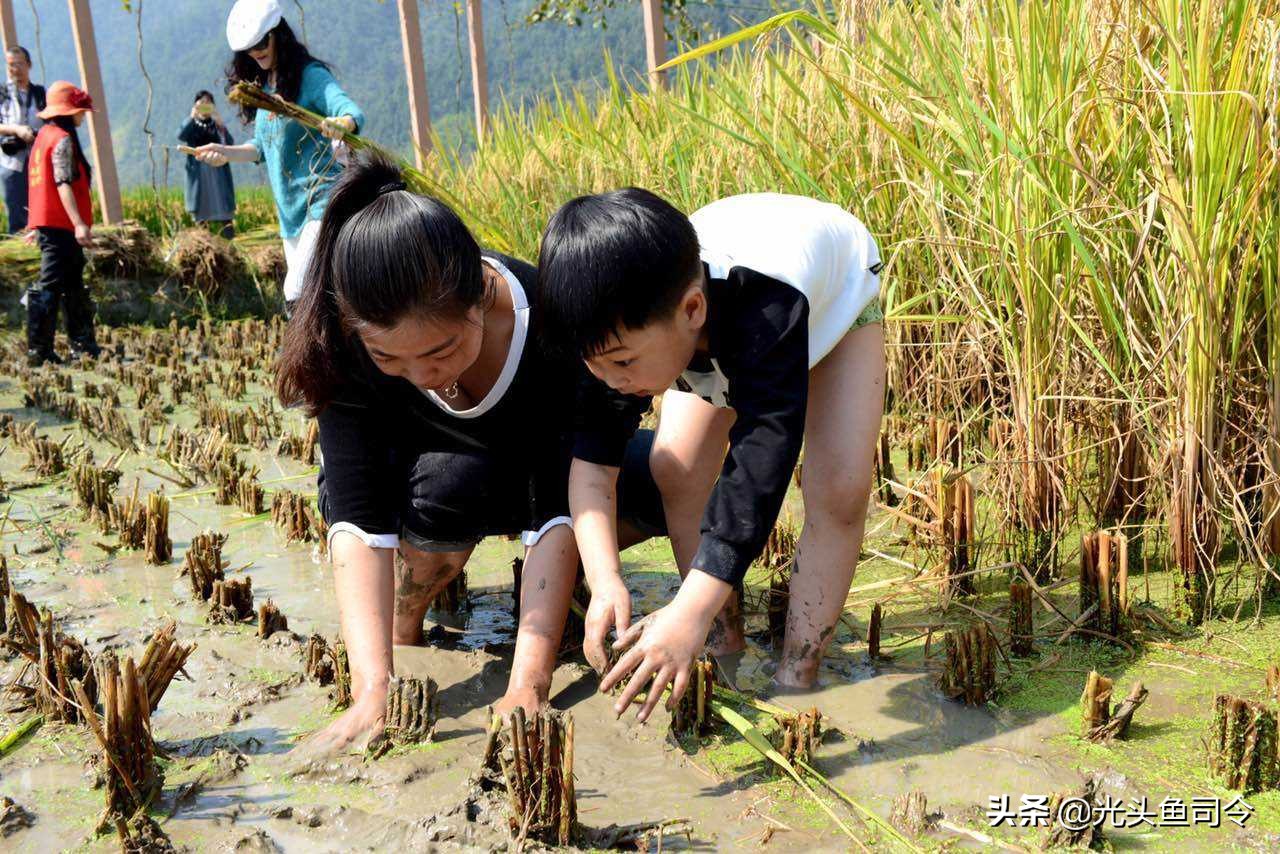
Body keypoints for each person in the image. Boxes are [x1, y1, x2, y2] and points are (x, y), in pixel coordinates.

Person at [276, 153, 656, 755]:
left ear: (481, 292)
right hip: (429, 487)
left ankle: (580, 586)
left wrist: (529, 684)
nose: (420, 375)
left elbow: (556, 504)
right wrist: (372, 690)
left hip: (534, 477)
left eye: (440, 351)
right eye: (391, 360)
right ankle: (409, 620)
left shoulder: (550, 324)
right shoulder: (348, 346)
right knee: (453, 481)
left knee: (655, 472)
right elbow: (358, 516)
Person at [537, 190, 885, 722]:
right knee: (674, 465)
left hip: (829, 305)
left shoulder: (765, 310)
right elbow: (592, 466)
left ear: (692, 310)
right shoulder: (612, 334)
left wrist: (686, 607)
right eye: (598, 365)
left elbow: (759, 467)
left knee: (838, 487)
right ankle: (719, 643)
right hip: (706, 323)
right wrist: (605, 577)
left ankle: (797, 675)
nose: (612, 382)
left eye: (623, 363)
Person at [197, 0, 364, 310]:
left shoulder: (310, 76)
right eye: (248, 49)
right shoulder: (266, 88)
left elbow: (349, 110)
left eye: (262, 42)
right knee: (321, 301)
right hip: (290, 214)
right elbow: (260, 148)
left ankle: (304, 358)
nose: (256, 52)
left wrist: (342, 123)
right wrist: (223, 153)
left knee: (296, 291)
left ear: (279, 35)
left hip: (322, 201)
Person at [24, 81, 100, 366]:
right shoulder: (62, 139)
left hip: (50, 224)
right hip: (62, 225)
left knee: (72, 282)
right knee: (51, 284)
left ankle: (83, 346)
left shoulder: (44, 136)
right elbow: (62, 183)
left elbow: (37, 183)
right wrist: (79, 223)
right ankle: (39, 351)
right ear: (69, 112)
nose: (83, 115)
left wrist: (36, 224)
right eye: (80, 110)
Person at [178, 90, 236, 238]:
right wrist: (192, 117)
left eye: (208, 103)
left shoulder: (216, 125)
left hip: (218, 172)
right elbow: (181, 136)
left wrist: (220, 124)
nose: (204, 106)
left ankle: (229, 243)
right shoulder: (191, 124)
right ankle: (205, 247)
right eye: (201, 103)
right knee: (202, 214)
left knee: (224, 209)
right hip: (199, 174)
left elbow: (229, 144)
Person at [0, 46, 45, 234]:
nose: (15, 69)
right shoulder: (2, 93)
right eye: (11, 65)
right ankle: (19, 256)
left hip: (38, 159)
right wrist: (17, 130)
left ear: (29, 65)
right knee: (17, 212)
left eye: (19, 64)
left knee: (41, 208)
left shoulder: (40, 93)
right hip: (12, 162)